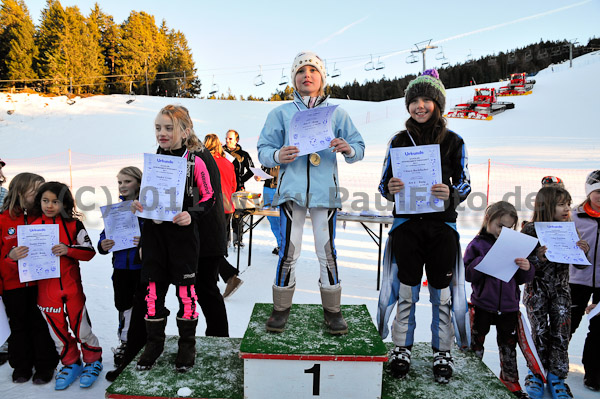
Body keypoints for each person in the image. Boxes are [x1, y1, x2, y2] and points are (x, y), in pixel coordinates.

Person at [257, 51, 365, 335]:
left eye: (313, 71)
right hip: (292, 193)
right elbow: (263, 152)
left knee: (326, 251)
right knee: (289, 251)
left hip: (324, 194)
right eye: (301, 71)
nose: (307, 75)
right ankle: (280, 308)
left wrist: (348, 148)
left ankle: (333, 311)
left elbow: (359, 148)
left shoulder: (337, 113)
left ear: (322, 78)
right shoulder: (280, 113)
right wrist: (278, 155)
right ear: (294, 77)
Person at [377, 69, 471, 384]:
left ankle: (442, 350)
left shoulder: (455, 141)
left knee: (442, 293)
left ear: (437, 104)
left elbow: (465, 183)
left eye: (426, 99)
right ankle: (401, 346)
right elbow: (382, 185)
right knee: (406, 290)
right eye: (414, 100)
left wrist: (452, 193)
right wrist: (390, 188)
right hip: (406, 226)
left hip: (441, 227)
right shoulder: (399, 140)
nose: (419, 106)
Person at [132, 104, 215, 372]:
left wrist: (191, 214)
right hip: (156, 238)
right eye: (158, 128)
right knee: (152, 294)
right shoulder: (154, 159)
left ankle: (186, 344)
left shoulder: (195, 161)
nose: (162, 133)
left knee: (186, 294)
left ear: (185, 130)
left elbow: (210, 197)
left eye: (169, 128)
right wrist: (139, 206)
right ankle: (154, 343)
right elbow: (148, 197)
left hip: (183, 240)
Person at [31, 181, 101, 390]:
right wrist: (14, 256)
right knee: (58, 332)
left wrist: (68, 250)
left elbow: (89, 252)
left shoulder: (73, 225)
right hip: (46, 290)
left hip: (71, 288)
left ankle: (92, 360)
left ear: (65, 203)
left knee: (82, 329)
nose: (49, 205)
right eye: (45, 201)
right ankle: (71, 363)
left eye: (55, 201)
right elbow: (21, 258)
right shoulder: (31, 227)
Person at [521, 186, 589, 399]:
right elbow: (520, 264)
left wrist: (582, 252)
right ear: (546, 206)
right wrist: (538, 258)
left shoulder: (570, 228)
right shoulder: (530, 230)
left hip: (561, 291)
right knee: (539, 332)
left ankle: (557, 376)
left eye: (568, 204)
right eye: (561, 204)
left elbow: (580, 267)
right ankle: (536, 373)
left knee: (560, 333)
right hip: (537, 291)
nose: (567, 209)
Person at [464, 201, 534, 399]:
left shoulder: (514, 245)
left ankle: (510, 382)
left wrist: (526, 268)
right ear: (488, 219)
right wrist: (482, 261)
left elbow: (522, 279)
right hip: (482, 305)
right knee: (475, 343)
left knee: (508, 346)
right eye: (500, 226)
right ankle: (472, 377)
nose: (504, 231)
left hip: (509, 307)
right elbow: (468, 274)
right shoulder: (477, 244)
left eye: (509, 227)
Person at [0, 173, 58, 384]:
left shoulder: (43, 218)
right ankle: (21, 366)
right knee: (18, 325)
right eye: (36, 189)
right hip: (13, 285)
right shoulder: (2, 220)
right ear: (21, 191)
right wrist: (9, 258)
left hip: (39, 283)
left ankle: (45, 365)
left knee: (40, 324)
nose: (40, 192)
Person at [97, 166, 143, 366]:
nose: (123, 186)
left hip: (142, 268)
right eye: (120, 182)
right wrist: (103, 244)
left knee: (144, 307)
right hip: (121, 268)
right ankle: (125, 342)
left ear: (139, 183)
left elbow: (156, 232)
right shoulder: (115, 211)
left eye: (127, 181)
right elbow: (105, 234)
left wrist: (144, 238)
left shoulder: (147, 207)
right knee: (123, 306)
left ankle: (143, 342)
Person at [569, 170, 600, 391]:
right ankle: (552, 366)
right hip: (576, 279)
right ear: (589, 192)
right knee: (567, 324)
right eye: (597, 191)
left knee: (599, 329)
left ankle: (594, 373)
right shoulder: (573, 216)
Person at [204, 133, 243, 298]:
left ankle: (227, 275)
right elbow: (234, 185)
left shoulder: (206, 162)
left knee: (207, 246)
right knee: (215, 244)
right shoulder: (228, 163)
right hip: (227, 207)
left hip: (211, 207)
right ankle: (225, 276)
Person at [224, 129, 255, 247]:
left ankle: (238, 240)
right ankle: (225, 240)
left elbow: (252, 170)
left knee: (238, 216)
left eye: (230, 138)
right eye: (226, 138)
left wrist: (241, 180)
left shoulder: (244, 154)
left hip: (238, 189)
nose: (227, 140)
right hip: (224, 189)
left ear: (236, 140)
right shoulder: (220, 152)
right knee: (225, 216)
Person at [255, 165, 282, 254]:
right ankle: (280, 244)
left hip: (280, 189)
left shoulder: (284, 155)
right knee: (271, 218)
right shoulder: (266, 158)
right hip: (267, 189)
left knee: (281, 218)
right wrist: (259, 177)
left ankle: (284, 245)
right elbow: (263, 172)